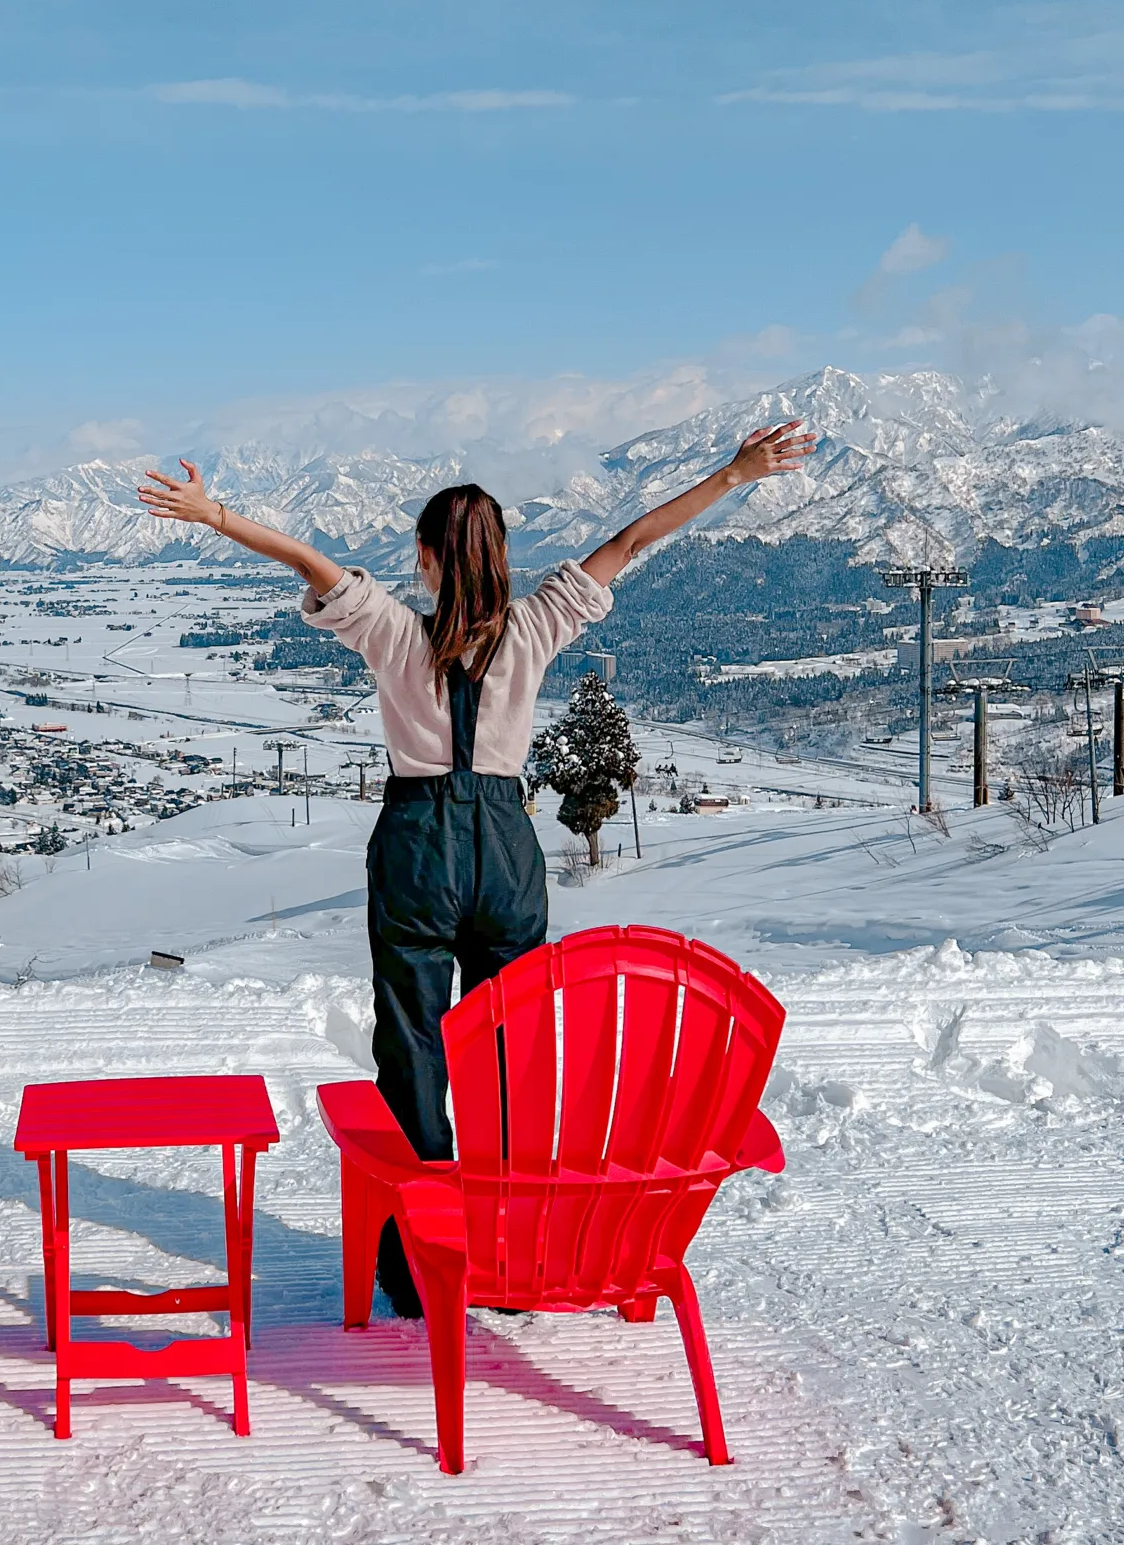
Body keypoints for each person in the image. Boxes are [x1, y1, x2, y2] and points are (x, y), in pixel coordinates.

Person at [138, 421, 815, 1315]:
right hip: (505, 845)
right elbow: (634, 541)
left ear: (423, 557)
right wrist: (736, 472)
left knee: (413, 1045)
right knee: (511, 1049)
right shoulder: (534, 627)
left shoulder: (389, 632)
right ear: (501, 555)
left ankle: (418, 1260)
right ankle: (513, 1246)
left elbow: (305, 559)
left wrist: (214, 513)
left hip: (417, 838)